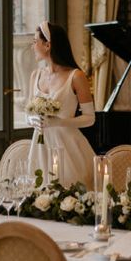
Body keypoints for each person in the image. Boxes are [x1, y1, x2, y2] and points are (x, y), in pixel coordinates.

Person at [26, 20, 96, 187]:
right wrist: (32, 120)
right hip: (40, 148)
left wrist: (60, 122)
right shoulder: (35, 75)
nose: (32, 46)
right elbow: (27, 113)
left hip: (68, 148)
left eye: (35, 41)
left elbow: (90, 118)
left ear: (48, 45)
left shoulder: (76, 76)